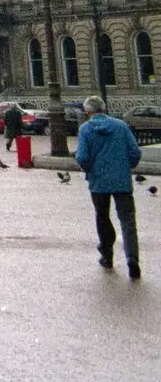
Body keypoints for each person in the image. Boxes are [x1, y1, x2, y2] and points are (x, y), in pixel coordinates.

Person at [73, 95, 141, 279]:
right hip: (122, 180)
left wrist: (90, 171)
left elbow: (82, 157)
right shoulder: (120, 126)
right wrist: (127, 167)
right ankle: (132, 257)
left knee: (102, 217)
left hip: (98, 182)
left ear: (88, 112)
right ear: (104, 108)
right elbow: (135, 151)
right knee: (128, 220)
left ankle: (107, 255)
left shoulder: (85, 129)